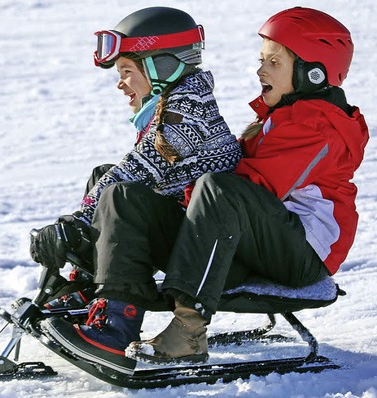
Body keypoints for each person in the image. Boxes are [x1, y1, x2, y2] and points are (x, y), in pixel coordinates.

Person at [29, 7, 241, 370]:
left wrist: (77, 222)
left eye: (127, 71)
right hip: (189, 232)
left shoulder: (189, 109)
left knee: (121, 195)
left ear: (161, 66)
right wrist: (81, 221)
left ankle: (118, 322)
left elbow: (144, 167)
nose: (120, 83)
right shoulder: (174, 103)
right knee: (104, 177)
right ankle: (86, 291)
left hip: (209, 252)